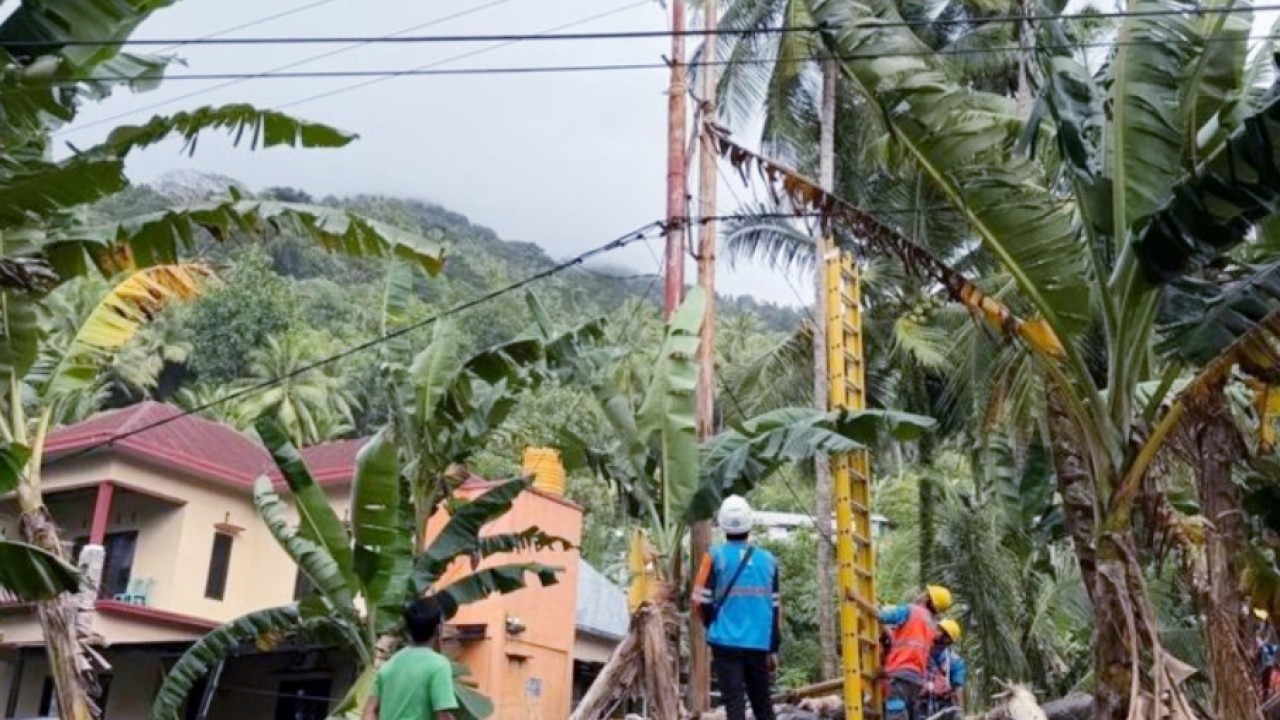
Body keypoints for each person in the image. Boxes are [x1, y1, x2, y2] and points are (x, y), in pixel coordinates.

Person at [692, 495, 781, 720]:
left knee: (734, 703)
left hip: (726, 642)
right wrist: (773, 646)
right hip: (759, 642)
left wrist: (712, 623)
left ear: (722, 524)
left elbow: (699, 600)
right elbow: (776, 607)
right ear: (749, 524)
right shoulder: (769, 560)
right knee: (762, 704)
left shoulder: (715, 556)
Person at [363, 597, 458, 720]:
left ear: (408, 629)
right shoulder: (439, 665)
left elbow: (369, 711)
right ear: (438, 629)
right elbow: (443, 716)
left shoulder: (389, 665)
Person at [879, 584, 953, 720]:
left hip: (899, 673)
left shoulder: (911, 611)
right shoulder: (931, 626)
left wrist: (869, 605)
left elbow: (883, 616)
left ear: (928, 599)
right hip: (916, 681)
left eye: (926, 594)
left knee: (896, 713)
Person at [919, 619, 966, 719]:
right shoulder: (920, 652)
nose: (937, 633)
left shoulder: (954, 661)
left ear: (948, 639)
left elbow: (958, 687)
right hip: (921, 705)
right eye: (938, 629)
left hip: (943, 707)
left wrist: (960, 711)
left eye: (942, 631)